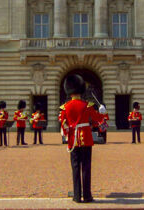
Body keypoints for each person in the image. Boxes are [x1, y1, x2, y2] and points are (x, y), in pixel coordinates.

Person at [59, 74, 105, 204]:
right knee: (86, 167)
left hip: (72, 140)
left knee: (75, 168)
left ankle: (77, 196)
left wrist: (67, 133)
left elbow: (63, 123)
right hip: (86, 138)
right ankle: (87, 195)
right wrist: (103, 112)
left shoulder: (65, 107)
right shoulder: (87, 105)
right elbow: (97, 119)